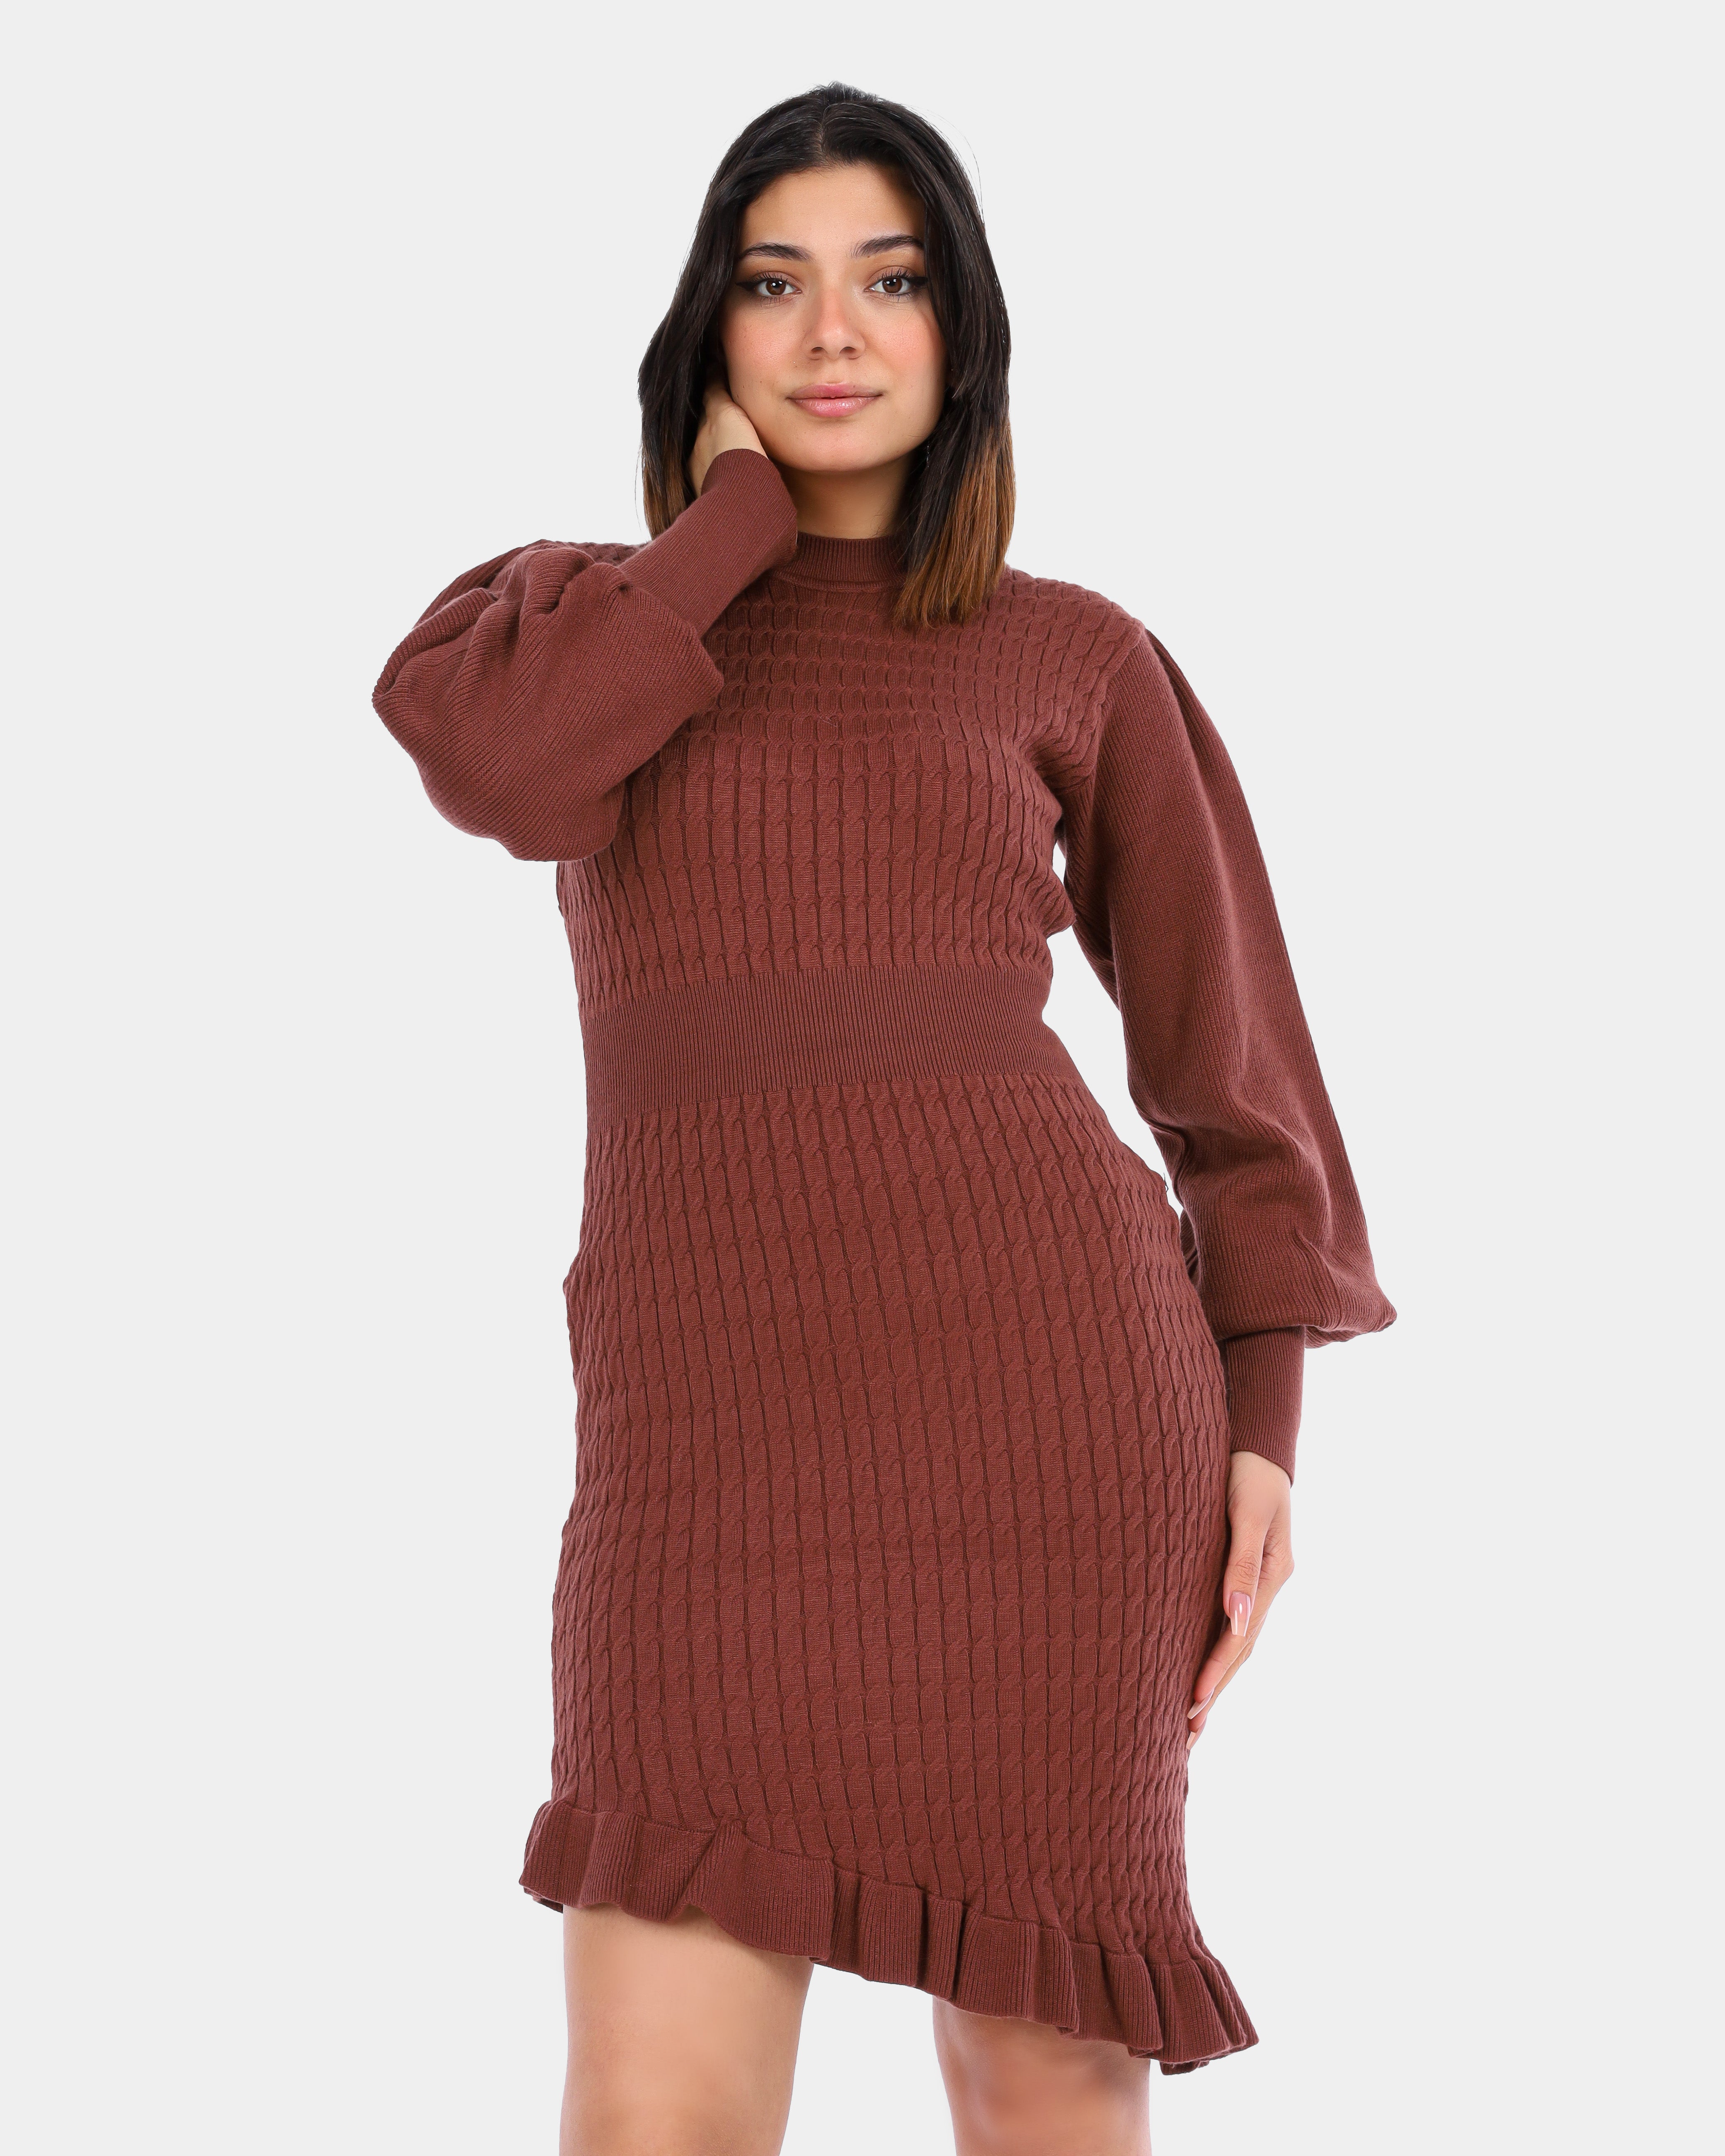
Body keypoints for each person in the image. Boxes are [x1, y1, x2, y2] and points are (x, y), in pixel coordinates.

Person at [370, 80, 1395, 2156]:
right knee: (650, 2115)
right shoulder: (571, 622)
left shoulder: (1072, 653)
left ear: (961, 331)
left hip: (1048, 1427)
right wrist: (728, 531)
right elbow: (502, 776)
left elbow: (1235, 1086)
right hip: (700, 1458)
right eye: (775, 284)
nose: (833, 332)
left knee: (1038, 2081)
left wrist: (1264, 1425)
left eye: (890, 281)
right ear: (706, 334)